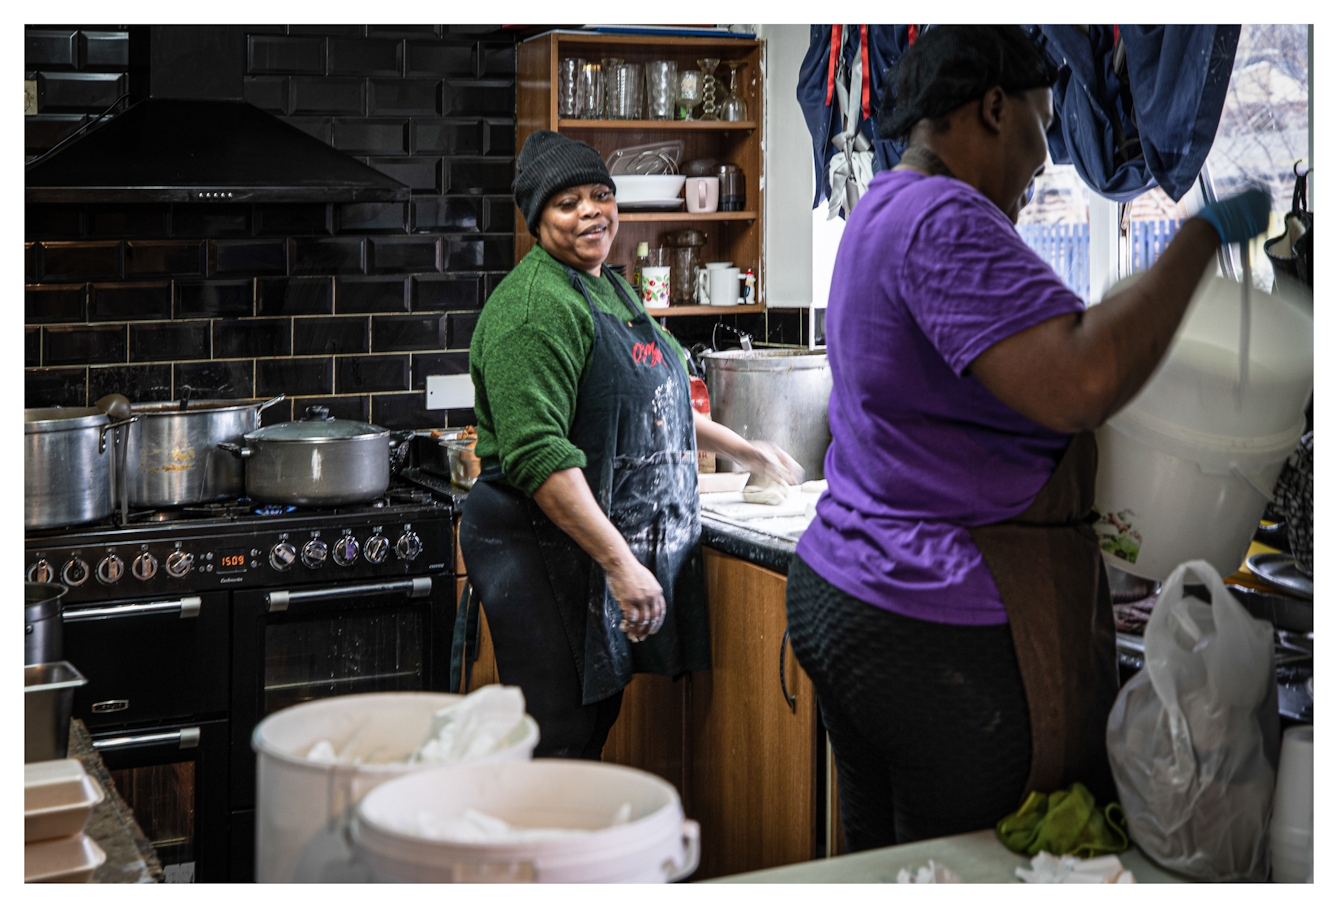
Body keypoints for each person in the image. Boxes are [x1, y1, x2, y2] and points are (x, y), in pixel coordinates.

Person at [786, 25, 1271, 851]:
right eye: (1045, 124)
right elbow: (1080, 380)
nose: (1046, 160)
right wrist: (1198, 239)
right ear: (993, 108)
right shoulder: (946, 218)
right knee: (972, 871)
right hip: (934, 620)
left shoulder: (879, 208)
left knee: (885, 868)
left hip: (849, 592)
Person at [461, 131, 801, 759]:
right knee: (556, 738)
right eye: (568, 202)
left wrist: (750, 453)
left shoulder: (611, 288)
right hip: (538, 544)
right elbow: (541, 459)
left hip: (590, 538)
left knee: (592, 725)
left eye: (601, 195)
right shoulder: (533, 310)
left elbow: (660, 398)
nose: (592, 211)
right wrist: (621, 563)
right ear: (538, 221)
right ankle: (535, 855)